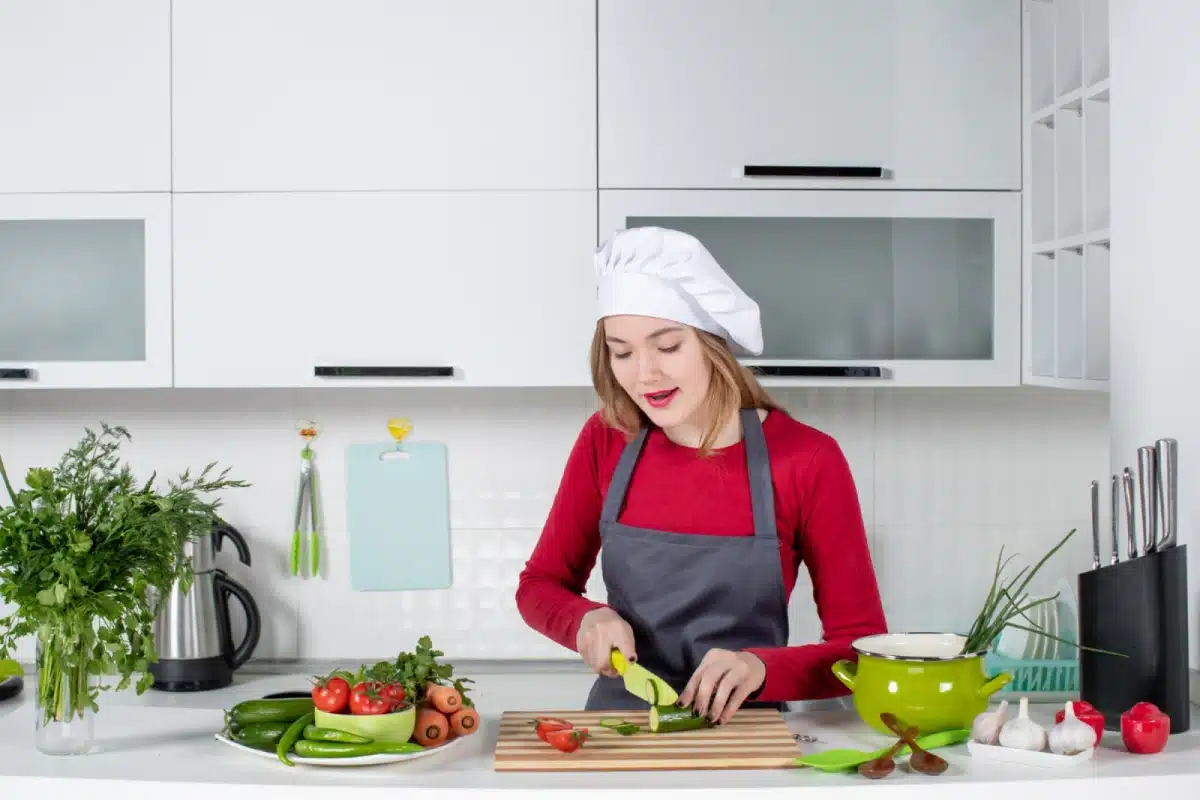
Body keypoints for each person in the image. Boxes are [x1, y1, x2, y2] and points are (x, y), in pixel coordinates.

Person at [515, 226, 887, 724]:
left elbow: (862, 652)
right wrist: (586, 619)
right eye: (621, 351)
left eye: (667, 346)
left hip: (749, 731)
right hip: (621, 727)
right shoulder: (606, 439)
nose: (643, 374)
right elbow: (539, 585)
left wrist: (761, 668)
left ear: (713, 345)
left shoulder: (808, 459)